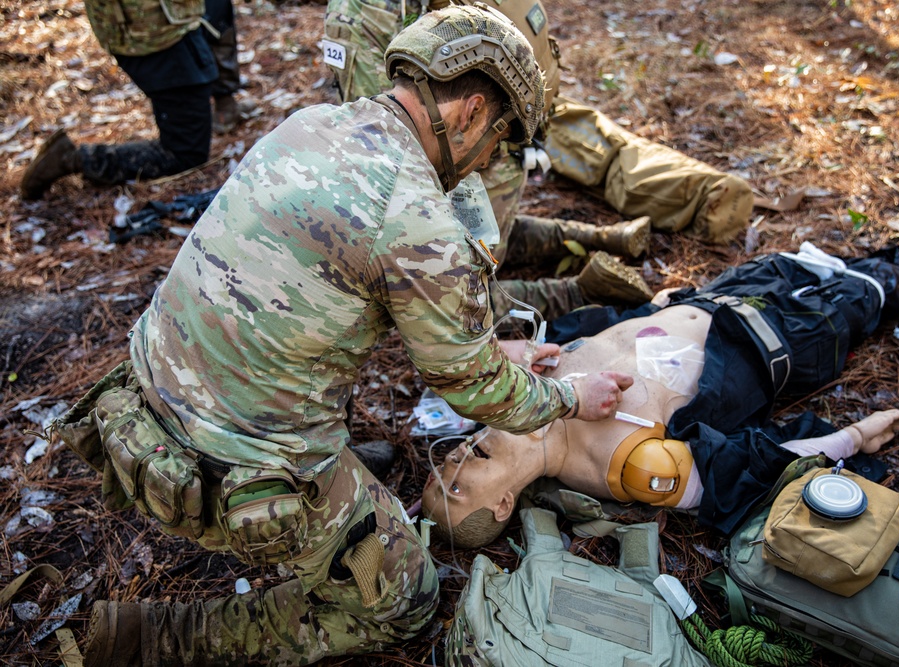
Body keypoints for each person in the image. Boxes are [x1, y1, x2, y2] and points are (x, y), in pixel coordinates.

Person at [72, 6, 634, 665]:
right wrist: (573, 395)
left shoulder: (311, 125)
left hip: (141, 407)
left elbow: (341, 292)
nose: (491, 162)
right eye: (502, 142)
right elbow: (476, 392)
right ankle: (164, 637)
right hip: (232, 465)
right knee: (410, 599)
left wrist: (481, 352)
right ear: (474, 111)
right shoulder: (417, 211)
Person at [422, 183, 899, 548]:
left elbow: (595, 337)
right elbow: (743, 467)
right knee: (874, 292)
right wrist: (850, 437)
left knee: (811, 264)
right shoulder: (627, 466)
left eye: (441, 464)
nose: (454, 459)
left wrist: (648, 309)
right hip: (781, 341)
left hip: (716, 301)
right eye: (457, 485)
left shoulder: (529, 390)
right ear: (503, 504)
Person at [323, 0, 754, 319]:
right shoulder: (369, 12)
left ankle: (597, 240)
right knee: (457, 292)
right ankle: (581, 287)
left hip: (490, 141)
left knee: (478, 252)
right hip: (465, 148)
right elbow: (393, 146)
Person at [19, 0, 246, 201]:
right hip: (154, 31)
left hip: (175, 19)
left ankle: (226, 104)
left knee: (217, 9)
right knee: (186, 154)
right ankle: (74, 159)